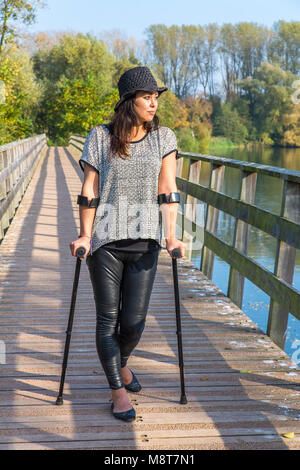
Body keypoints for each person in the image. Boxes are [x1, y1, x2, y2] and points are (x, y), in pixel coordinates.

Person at [69, 66, 186, 422]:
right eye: (146, 97)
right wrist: (85, 235)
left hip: (145, 241)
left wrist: (170, 235)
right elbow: (89, 189)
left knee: (133, 323)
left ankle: (120, 368)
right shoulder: (100, 137)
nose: (153, 103)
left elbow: (167, 188)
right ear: (128, 102)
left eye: (155, 98)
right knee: (108, 320)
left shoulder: (163, 138)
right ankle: (118, 394)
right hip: (104, 241)